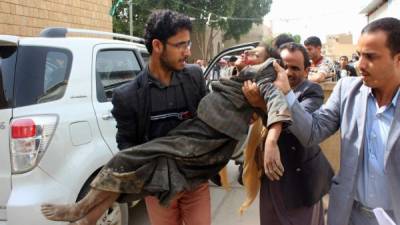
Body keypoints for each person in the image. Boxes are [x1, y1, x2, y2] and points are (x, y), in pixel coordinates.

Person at [40, 38, 291, 225]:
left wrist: (270, 138)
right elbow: (126, 141)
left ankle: (81, 212)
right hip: (175, 158)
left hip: (199, 148)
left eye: (255, 53)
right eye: (180, 45)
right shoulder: (129, 94)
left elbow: (275, 101)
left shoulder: (255, 77)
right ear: (158, 47)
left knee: (124, 162)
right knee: (125, 164)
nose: (187, 52)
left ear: (269, 62)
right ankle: (86, 216)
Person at [273, 17, 400, 225]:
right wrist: (287, 93)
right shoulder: (348, 91)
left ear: (398, 60)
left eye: (371, 57)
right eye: (359, 56)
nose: (360, 65)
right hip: (349, 215)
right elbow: (312, 132)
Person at [244, 42, 334, 225]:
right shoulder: (264, 87)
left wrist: (261, 105)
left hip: (300, 180)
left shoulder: (311, 91)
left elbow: (297, 127)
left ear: (307, 70)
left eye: (295, 68)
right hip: (272, 176)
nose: (288, 72)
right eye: (284, 66)